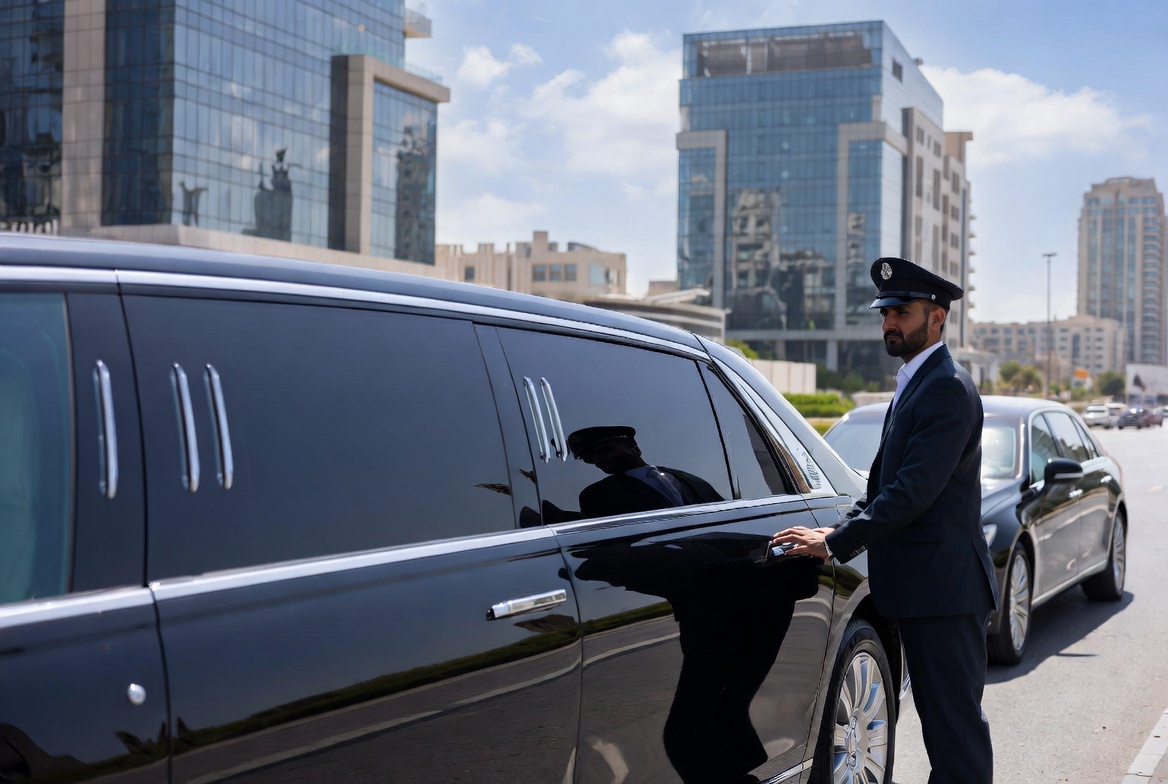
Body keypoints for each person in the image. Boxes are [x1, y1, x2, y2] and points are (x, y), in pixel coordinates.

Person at [772, 256, 998, 784]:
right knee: (946, 734)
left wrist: (835, 543)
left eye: (901, 311)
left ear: (937, 317)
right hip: (927, 592)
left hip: (946, 595)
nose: (888, 321)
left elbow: (911, 494)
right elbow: (881, 486)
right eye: (884, 312)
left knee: (955, 739)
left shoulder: (947, 387)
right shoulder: (915, 382)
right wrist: (836, 528)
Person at [566, 425, 722, 518]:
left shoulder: (690, 479)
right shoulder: (597, 496)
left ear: (633, 446)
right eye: (588, 459)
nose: (597, 461)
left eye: (604, 451)